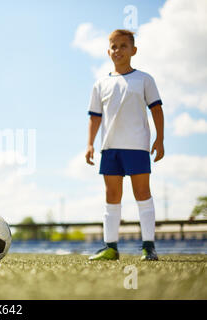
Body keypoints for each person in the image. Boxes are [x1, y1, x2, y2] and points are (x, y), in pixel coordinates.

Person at [85, 29, 164, 261]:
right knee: (111, 195)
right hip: (110, 149)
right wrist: (90, 144)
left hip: (137, 147)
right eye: (114, 46)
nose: (118, 50)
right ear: (108, 51)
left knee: (142, 192)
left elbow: (156, 109)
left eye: (123, 46)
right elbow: (95, 117)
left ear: (134, 50)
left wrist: (160, 138)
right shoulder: (100, 84)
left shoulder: (144, 79)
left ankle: (148, 247)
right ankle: (110, 247)